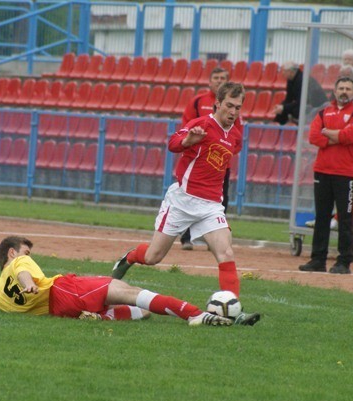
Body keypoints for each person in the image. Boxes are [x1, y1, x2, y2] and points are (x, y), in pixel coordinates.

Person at [110, 82, 260, 325]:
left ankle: (234, 310)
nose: (233, 112)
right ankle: (129, 258)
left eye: (238, 107)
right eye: (229, 106)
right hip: (182, 201)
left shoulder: (235, 135)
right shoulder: (201, 124)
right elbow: (172, 144)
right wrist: (189, 141)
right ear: (218, 103)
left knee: (226, 252)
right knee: (153, 256)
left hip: (211, 205)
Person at [0, 236, 234, 326]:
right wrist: (27, 282)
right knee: (132, 292)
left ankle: (98, 315)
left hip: (60, 311)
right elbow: (25, 272)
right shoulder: (18, 263)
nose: (27, 255)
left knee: (136, 311)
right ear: (11, 253)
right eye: (24, 250)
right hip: (66, 290)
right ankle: (196, 314)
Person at [299, 76, 353, 274]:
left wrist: (327, 132)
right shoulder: (323, 112)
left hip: (345, 174)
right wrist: (336, 136)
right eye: (341, 88)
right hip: (322, 170)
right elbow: (313, 136)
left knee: (346, 218)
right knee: (322, 216)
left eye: (348, 88)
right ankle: (318, 259)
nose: (344, 91)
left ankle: (344, 261)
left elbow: (350, 136)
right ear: (335, 91)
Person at [179, 67, 241, 251]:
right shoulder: (197, 101)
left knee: (221, 199)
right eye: (216, 78)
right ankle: (186, 237)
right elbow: (186, 127)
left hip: (220, 165)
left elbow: (237, 137)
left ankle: (213, 238)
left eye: (223, 78)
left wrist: (224, 151)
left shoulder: (234, 110)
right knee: (188, 198)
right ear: (209, 81)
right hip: (197, 162)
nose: (219, 80)